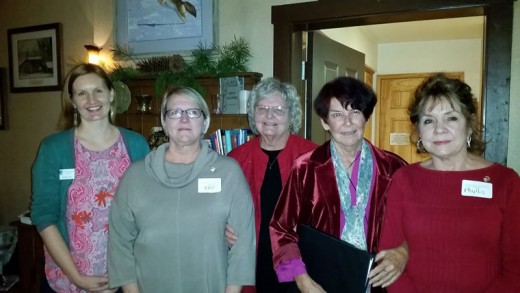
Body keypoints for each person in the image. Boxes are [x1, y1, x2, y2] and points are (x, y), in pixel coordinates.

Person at [379, 73, 520, 292]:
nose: (439, 128)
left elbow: (515, 266)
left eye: (451, 118)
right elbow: (389, 255)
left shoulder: (505, 182)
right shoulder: (404, 180)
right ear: (419, 131)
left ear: (469, 125)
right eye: (428, 120)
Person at [108, 86, 256, 293]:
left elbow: (243, 246)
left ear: (204, 123)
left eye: (193, 112)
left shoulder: (228, 173)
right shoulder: (135, 176)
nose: (184, 119)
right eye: (175, 112)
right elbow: (119, 243)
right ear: (164, 123)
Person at [269, 76, 409, 293]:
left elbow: (417, 225)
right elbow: (280, 229)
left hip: (379, 283)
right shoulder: (306, 168)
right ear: (325, 122)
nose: (347, 122)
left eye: (355, 112)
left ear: (366, 117)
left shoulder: (394, 168)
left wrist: (404, 251)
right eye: (337, 115)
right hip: (319, 283)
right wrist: (303, 281)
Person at [30, 63, 150, 293]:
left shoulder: (136, 145)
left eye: (98, 91)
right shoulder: (53, 149)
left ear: (111, 94)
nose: (91, 100)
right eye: (82, 93)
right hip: (68, 279)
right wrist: (77, 278)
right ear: (72, 101)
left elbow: (147, 210)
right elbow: (44, 216)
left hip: (127, 277)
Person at [226, 77, 318, 292]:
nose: (269, 116)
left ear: (291, 114)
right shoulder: (235, 159)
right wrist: (221, 227)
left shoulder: (313, 157)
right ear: (253, 113)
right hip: (252, 262)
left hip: (300, 263)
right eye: (262, 108)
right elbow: (217, 209)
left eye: (278, 109)